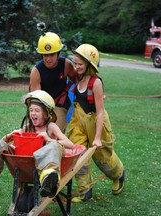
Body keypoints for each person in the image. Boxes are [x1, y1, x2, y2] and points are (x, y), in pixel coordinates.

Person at [0, 90, 74, 198]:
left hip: (43, 167)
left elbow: (70, 145)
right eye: (31, 110)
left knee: (54, 146)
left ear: (46, 114)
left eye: (37, 111)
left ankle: (48, 183)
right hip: (27, 163)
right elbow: (6, 144)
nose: (33, 113)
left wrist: (49, 139)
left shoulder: (51, 127)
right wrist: (10, 136)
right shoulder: (28, 127)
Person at [67, 44, 125, 202]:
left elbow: (100, 112)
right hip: (78, 119)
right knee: (76, 153)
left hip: (95, 120)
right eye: (75, 63)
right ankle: (85, 190)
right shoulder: (77, 76)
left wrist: (98, 137)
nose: (76, 67)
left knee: (101, 157)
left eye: (80, 64)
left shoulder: (96, 83)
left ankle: (118, 174)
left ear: (89, 65)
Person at [29, 31, 76, 133]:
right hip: (42, 106)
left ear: (58, 54)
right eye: (45, 55)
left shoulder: (66, 65)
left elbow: (78, 80)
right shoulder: (36, 71)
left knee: (54, 134)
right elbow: (36, 100)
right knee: (36, 134)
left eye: (52, 55)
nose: (48, 58)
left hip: (60, 105)